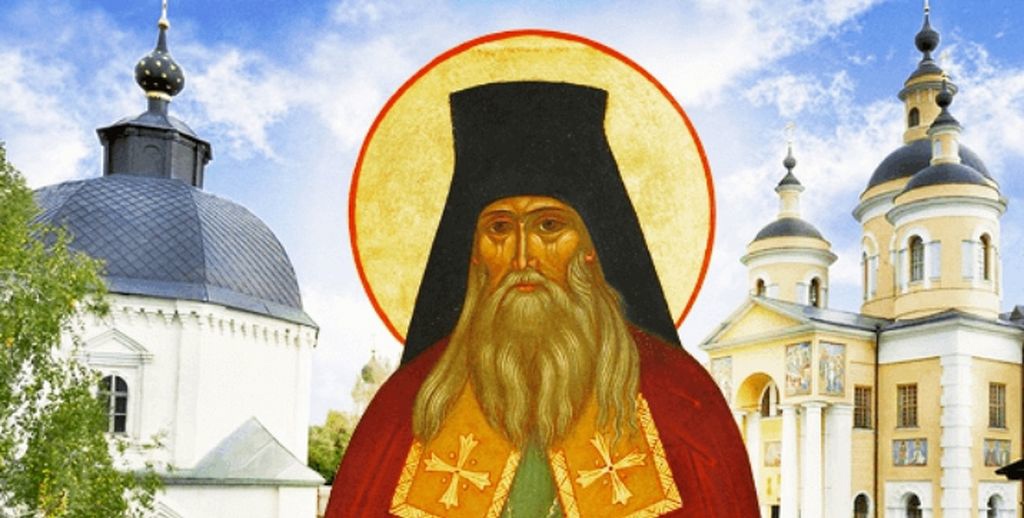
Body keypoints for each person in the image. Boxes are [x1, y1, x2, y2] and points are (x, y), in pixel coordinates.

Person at [326, 82, 757, 517]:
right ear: (474, 254)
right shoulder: (408, 404)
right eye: (499, 228)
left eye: (549, 226)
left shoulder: (681, 399)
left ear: (590, 247)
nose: (522, 257)